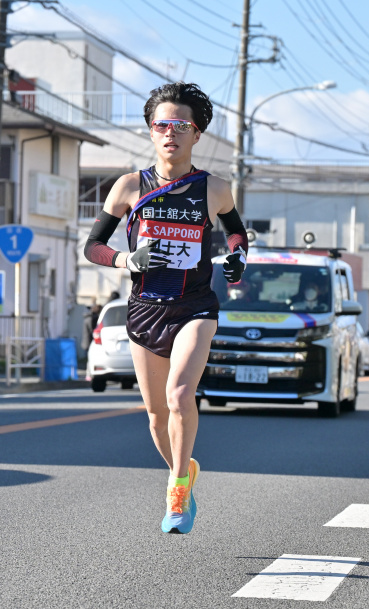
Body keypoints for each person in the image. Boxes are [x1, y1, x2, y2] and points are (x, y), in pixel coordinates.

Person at [82, 82, 247, 534]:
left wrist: (237, 259)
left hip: (195, 305)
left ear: (197, 134)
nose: (170, 134)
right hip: (144, 307)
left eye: (180, 126)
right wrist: (123, 259)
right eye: (161, 125)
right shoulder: (129, 186)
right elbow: (93, 245)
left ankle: (177, 492)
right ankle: (184, 468)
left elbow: (236, 235)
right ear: (151, 132)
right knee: (156, 414)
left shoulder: (214, 188)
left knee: (179, 396)